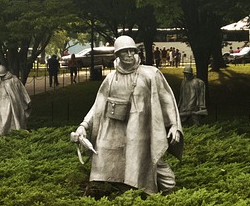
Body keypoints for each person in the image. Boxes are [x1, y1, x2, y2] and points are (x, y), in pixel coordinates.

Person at [71, 35, 183, 195]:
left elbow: (166, 99)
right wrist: (84, 125)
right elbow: (98, 105)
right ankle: (127, 196)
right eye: (125, 52)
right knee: (115, 162)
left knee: (152, 164)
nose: (130, 55)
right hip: (116, 130)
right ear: (117, 55)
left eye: (132, 51)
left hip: (142, 130)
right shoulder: (111, 78)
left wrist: (174, 125)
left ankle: (169, 198)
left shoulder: (150, 74)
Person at [0, 64, 31, 135]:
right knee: (1, 120)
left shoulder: (13, 81)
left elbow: (21, 92)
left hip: (11, 105)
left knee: (10, 119)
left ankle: (11, 132)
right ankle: (1, 133)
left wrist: (25, 103)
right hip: (1, 105)